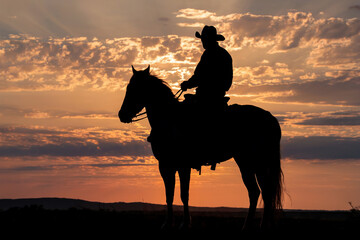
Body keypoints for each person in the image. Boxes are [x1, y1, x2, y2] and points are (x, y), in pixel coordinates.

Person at [180, 26, 233, 169]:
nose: (202, 42)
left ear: (208, 40)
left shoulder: (210, 54)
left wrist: (187, 84)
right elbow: (227, 79)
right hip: (218, 95)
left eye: (204, 39)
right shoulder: (224, 54)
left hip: (207, 96)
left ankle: (194, 152)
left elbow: (199, 76)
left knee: (186, 116)